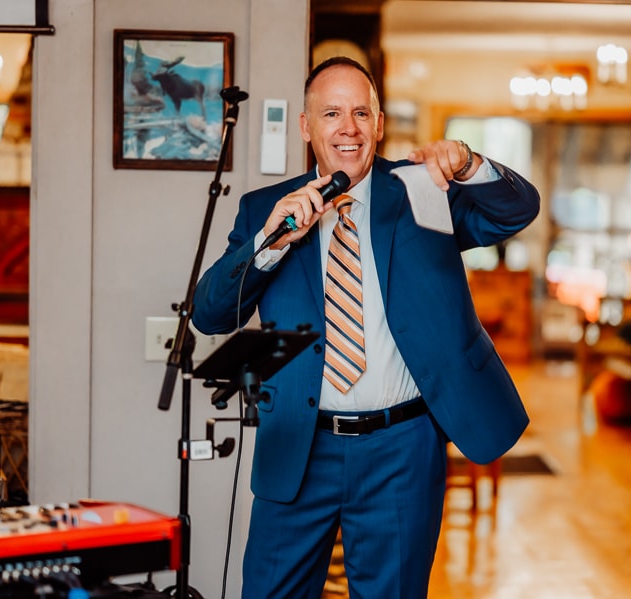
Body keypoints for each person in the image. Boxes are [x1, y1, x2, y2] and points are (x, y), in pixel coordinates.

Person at [191, 56, 540, 598]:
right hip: (299, 445)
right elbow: (211, 313)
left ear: (378, 124)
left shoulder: (421, 191)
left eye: (360, 112)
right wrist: (270, 242)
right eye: (331, 113)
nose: (347, 127)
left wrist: (470, 164)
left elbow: (514, 212)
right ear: (307, 127)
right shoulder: (266, 209)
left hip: (401, 446)